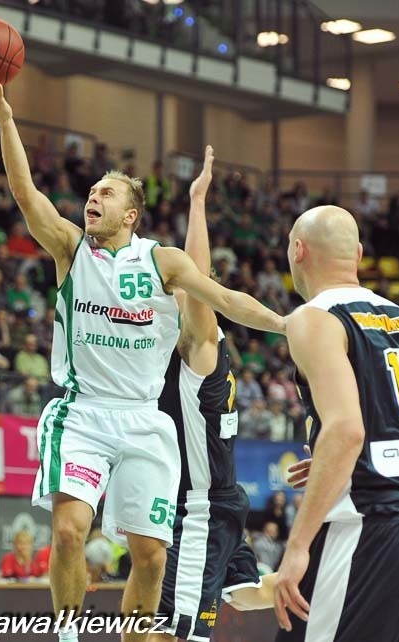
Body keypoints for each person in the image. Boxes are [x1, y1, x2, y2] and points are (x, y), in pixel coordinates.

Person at [0, 77, 284, 642]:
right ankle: (67, 634)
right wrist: (6, 120)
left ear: (132, 215)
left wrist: (287, 323)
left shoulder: (161, 262)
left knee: (151, 557)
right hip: (84, 412)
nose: (93, 198)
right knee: (69, 533)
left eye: (106, 193)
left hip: (145, 419)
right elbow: (24, 193)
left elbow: (226, 300)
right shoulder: (70, 249)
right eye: (90, 191)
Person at [272, 206, 399, 642]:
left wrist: (297, 546)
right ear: (359, 254)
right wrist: (339, 460)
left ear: (297, 250)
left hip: (370, 531)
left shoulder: (313, 317)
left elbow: (346, 431)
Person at [152, 147, 255, 642]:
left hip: (199, 510)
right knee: (251, 591)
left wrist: (197, 205)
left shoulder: (199, 350)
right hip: (221, 501)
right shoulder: (188, 353)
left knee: (176, 633)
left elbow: (196, 288)